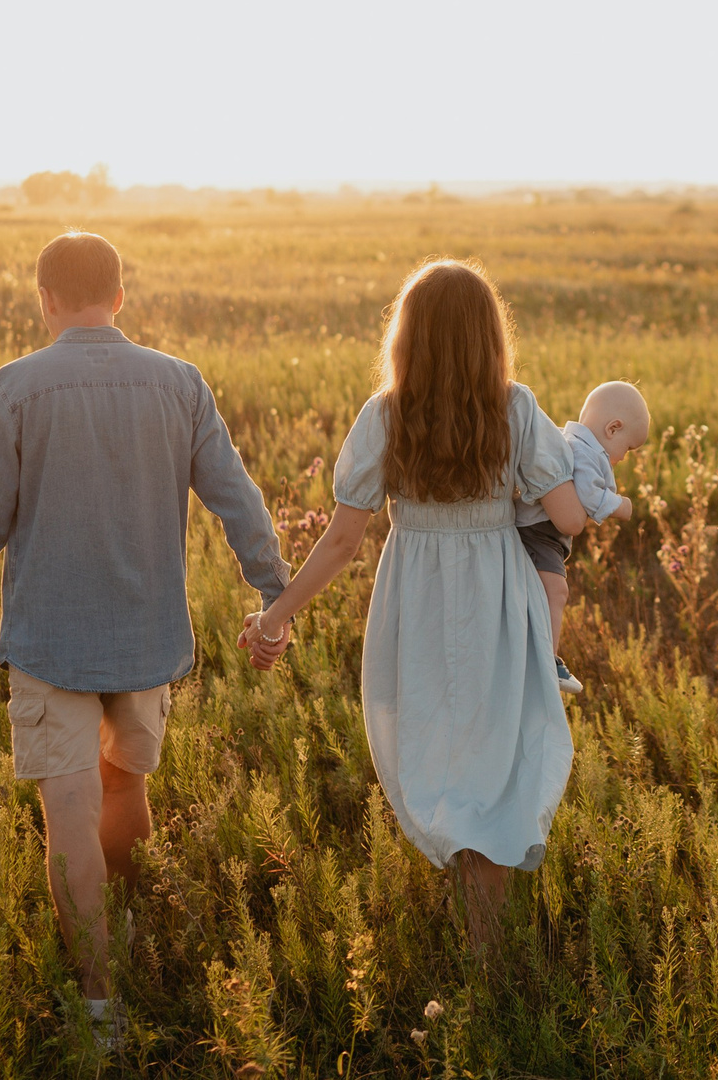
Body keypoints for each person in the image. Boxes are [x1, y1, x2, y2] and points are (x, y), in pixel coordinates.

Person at [0, 230, 292, 1045]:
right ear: (121, 296)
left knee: (69, 812)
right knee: (126, 789)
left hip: (49, 642)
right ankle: (131, 932)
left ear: (46, 299)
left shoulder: (14, 387)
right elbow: (236, 498)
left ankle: (101, 1004)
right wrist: (273, 592)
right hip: (145, 636)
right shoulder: (180, 382)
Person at [239, 259, 593, 950]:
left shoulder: (385, 415)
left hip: (418, 597)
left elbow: (341, 540)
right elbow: (570, 519)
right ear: (491, 337)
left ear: (408, 339)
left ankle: (480, 928)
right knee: (493, 758)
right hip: (498, 592)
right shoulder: (516, 408)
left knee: (438, 751)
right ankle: (488, 938)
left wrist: (277, 615)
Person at [522, 380, 646, 695]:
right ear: (613, 428)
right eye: (629, 448)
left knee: (543, 594)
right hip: (539, 533)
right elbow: (590, 496)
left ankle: (538, 654)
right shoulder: (584, 452)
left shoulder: (579, 444)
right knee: (556, 591)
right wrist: (622, 507)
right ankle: (544, 661)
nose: (624, 457)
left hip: (544, 532)